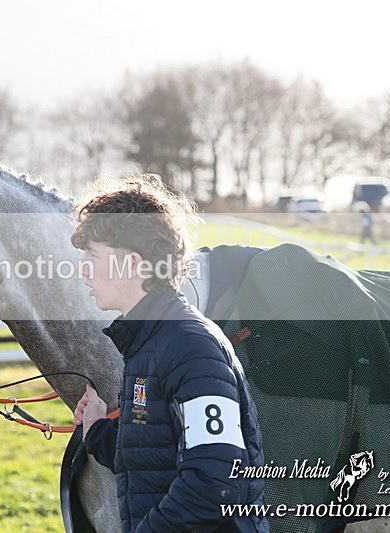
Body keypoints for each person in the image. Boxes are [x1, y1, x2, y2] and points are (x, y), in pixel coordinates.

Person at [71, 175, 268, 532]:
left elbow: (215, 480)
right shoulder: (149, 341)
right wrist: (97, 430)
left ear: (132, 263)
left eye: (93, 257)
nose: (82, 269)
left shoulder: (190, 347)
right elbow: (153, 459)